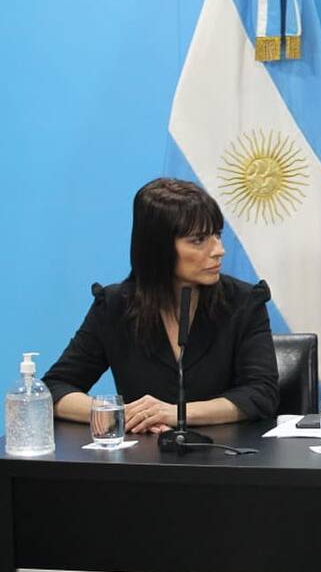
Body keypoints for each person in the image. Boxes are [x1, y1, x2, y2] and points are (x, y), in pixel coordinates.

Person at [44, 178, 279, 432]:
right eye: (198, 240)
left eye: (217, 235)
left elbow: (261, 394)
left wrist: (176, 414)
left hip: (227, 459)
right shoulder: (114, 306)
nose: (219, 250)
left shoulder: (244, 302)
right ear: (158, 247)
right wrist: (119, 414)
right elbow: (55, 388)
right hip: (142, 463)